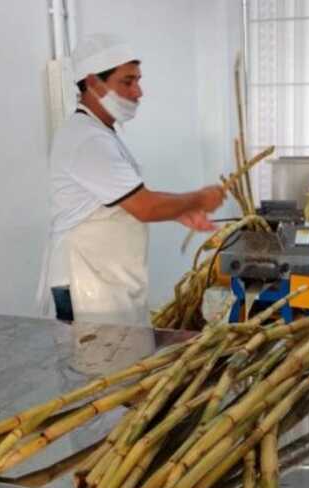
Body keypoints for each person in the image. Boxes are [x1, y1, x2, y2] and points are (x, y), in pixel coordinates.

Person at [37, 33, 225, 326]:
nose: (138, 92)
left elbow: (126, 200)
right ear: (92, 83)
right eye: (127, 82)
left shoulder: (100, 133)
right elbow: (144, 206)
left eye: (138, 80)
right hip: (86, 282)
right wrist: (200, 198)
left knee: (113, 363)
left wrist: (180, 211)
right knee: (96, 366)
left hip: (104, 280)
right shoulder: (87, 140)